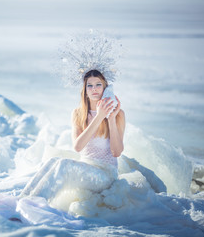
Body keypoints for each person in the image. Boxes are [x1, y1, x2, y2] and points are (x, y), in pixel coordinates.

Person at [19, 69, 126, 205]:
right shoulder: (78, 113)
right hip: (86, 167)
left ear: (105, 88)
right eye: (90, 85)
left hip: (106, 175)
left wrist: (110, 118)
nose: (94, 89)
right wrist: (99, 116)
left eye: (98, 84)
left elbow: (116, 152)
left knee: (64, 164)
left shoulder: (118, 114)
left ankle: (33, 205)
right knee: (53, 161)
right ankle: (22, 200)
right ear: (85, 91)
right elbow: (78, 147)